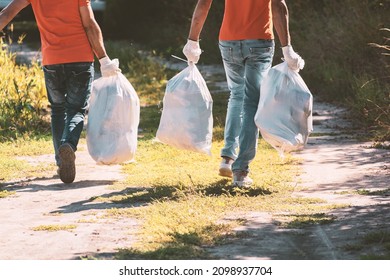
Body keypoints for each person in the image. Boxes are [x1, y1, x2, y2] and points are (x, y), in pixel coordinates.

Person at [183, 0, 304, 187]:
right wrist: (287, 49)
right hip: (260, 41)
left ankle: (227, 158)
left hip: (229, 40)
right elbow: (279, 6)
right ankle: (240, 171)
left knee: (237, 95)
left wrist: (193, 40)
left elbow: (204, 3)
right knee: (252, 101)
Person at [0, 0, 120, 184]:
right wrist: (103, 58)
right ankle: (68, 144)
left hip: (52, 61)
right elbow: (89, 24)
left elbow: (7, 13)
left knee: (57, 109)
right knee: (77, 109)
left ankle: (60, 160)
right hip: (80, 58)